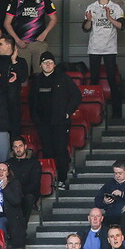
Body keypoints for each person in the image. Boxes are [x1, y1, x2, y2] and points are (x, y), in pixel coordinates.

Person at [28, 52, 79, 190]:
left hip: (60, 123)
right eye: (45, 62)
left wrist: (67, 112)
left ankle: (62, 180)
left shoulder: (63, 78)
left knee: (60, 151)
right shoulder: (37, 81)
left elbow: (76, 95)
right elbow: (32, 102)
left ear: (54, 64)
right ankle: (50, 180)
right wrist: (36, 119)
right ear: (40, 65)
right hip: (43, 124)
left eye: (50, 62)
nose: (48, 65)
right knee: (47, 151)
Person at [82, 0, 125, 117]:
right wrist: (89, 20)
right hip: (94, 48)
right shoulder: (91, 7)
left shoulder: (116, 8)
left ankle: (116, 113)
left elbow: (122, 26)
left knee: (112, 79)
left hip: (110, 49)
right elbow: (85, 28)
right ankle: (94, 112)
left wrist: (109, 17)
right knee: (94, 80)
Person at [4, 0, 57, 73]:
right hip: (22, 44)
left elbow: (54, 18)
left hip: (39, 43)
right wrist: (17, 40)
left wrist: (44, 33)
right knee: (22, 76)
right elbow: (6, 23)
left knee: (41, 74)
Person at [95, 161, 125, 226]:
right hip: (111, 219)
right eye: (115, 173)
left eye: (120, 173)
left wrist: (122, 194)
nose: (117, 176)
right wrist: (104, 201)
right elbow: (97, 200)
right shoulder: (109, 184)